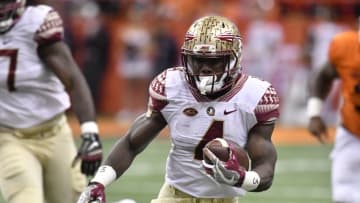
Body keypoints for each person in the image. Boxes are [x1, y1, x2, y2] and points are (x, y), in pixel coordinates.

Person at [77, 15, 280, 203]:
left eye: (214, 61)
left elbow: (266, 167)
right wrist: (98, 183)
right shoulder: (172, 86)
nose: (204, 69)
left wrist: (243, 178)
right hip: (174, 196)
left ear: (234, 59)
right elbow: (132, 143)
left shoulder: (255, 96)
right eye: (197, 60)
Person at [0, 1, 102, 203]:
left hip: (54, 132)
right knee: (25, 198)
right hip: (9, 136)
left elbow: (72, 78)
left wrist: (90, 132)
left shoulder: (36, 22)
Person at [307, 17, 360, 203]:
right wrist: (314, 112)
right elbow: (322, 76)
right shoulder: (345, 46)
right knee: (344, 196)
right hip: (352, 131)